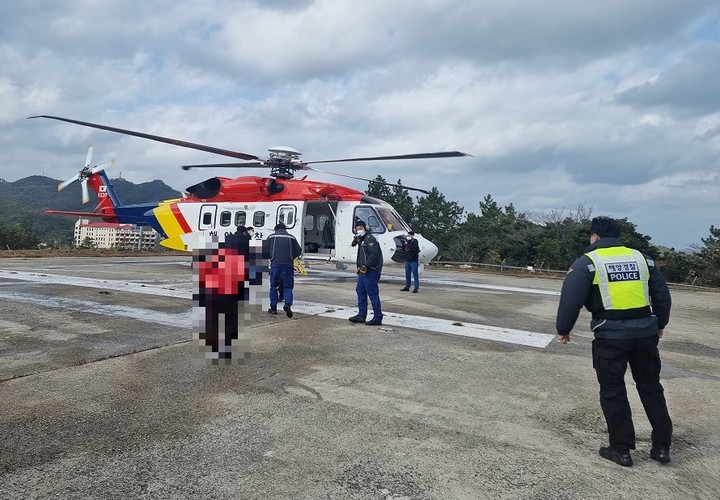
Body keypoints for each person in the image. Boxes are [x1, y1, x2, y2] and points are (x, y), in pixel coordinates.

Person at [555, 216, 673, 467]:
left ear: (595, 236)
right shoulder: (642, 259)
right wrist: (660, 324)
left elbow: (571, 299)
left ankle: (621, 450)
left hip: (610, 337)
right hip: (644, 334)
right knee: (651, 387)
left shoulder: (589, 262)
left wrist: (563, 329)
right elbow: (662, 295)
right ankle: (662, 446)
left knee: (613, 391)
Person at [348, 219, 384, 326]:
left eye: (361, 228)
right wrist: (355, 241)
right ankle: (361, 315)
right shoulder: (362, 239)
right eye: (357, 228)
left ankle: (378, 317)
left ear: (365, 228)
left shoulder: (369, 239)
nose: (359, 230)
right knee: (360, 291)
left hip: (370, 271)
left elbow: (374, 255)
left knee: (372, 293)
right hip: (362, 271)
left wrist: (365, 265)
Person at [264, 222, 302, 318]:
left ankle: (273, 308)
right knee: (287, 287)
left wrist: (271, 258)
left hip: (275, 265)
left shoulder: (271, 237)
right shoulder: (291, 237)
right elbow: (298, 251)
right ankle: (287, 304)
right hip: (288, 266)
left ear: (276, 229)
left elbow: (265, 251)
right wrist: (291, 258)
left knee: (274, 286)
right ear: (285, 229)